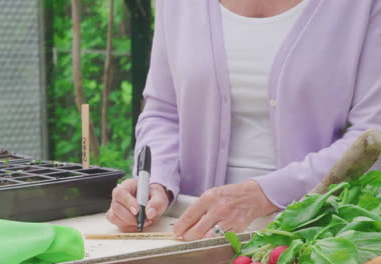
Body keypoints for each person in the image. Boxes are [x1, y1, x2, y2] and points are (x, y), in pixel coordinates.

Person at [106, 0, 381, 241]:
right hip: (189, 236)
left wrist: (264, 193)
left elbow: (373, 139)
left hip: (311, 237)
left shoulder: (362, 5)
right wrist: (156, 184)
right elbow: (163, 112)